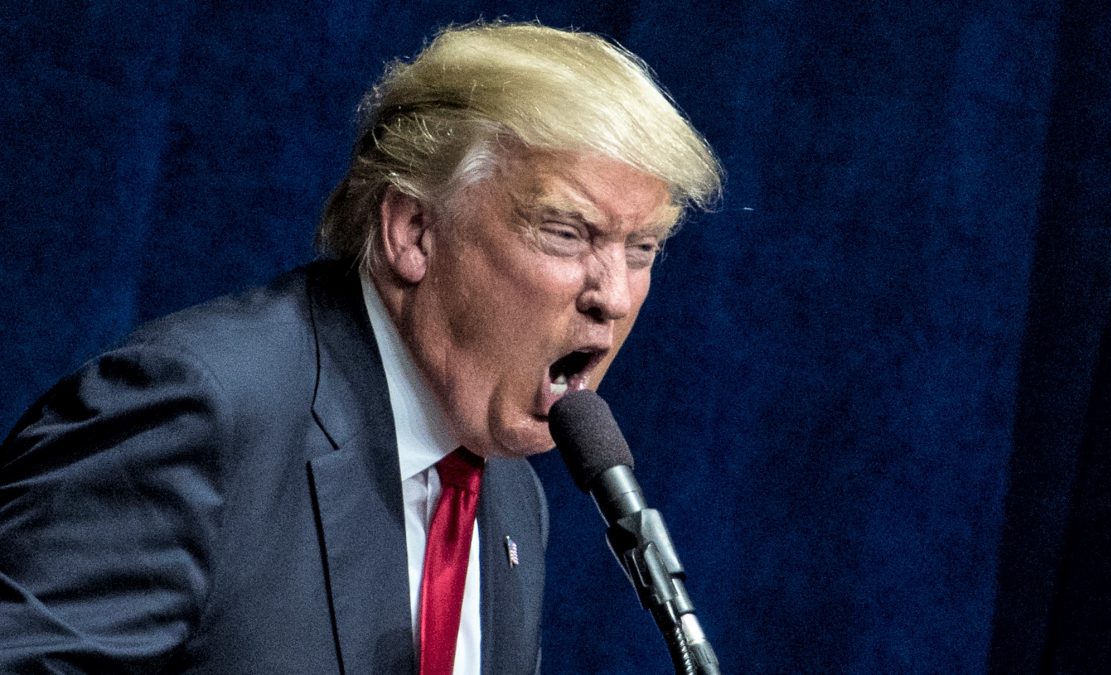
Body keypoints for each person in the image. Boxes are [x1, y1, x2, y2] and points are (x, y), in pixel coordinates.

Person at [0, 21, 720, 674]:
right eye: (567, 232)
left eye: (642, 248)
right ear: (413, 230)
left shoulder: (509, 497)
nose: (614, 295)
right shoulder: (197, 413)